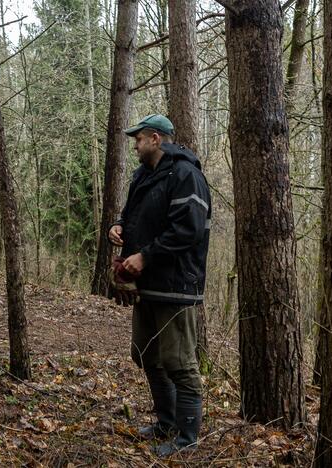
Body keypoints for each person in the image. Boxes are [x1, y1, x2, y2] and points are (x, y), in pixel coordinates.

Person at [108, 114, 211, 456]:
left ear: (155, 138)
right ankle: (166, 423)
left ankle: (187, 439)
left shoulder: (187, 175)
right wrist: (120, 228)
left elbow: (189, 230)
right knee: (146, 355)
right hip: (147, 285)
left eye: (138, 139)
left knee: (179, 362)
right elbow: (134, 215)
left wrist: (146, 256)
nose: (134, 145)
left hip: (176, 284)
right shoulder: (143, 176)